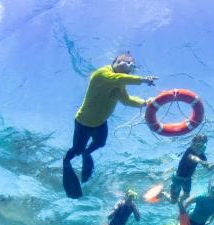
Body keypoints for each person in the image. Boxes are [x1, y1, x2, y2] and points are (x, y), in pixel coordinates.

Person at [63, 53, 158, 199]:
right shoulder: (102, 73)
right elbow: (117, 78)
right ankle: (67, 163)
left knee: (100, 143)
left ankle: (86, 155)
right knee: (77, 150)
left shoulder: (120, 83)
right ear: (117, 61)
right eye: (129, 64)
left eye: (132, 67)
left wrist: (144, 103)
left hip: (100, 123)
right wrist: (143, 80)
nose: (131, 68)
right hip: (83, 122)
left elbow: (126, 100)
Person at [169, 134, 214, 203]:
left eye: (203, 147)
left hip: (187, 180)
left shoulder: (202, 156)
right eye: (198, 146)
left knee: (186, 195)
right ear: (192, 145)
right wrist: (201, 161)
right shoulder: (189, 151)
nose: (200, 149)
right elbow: (193, 158)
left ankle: (179, 201)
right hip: (178, 178)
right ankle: (165, 194)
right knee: (173, 202)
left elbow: (209, 168)